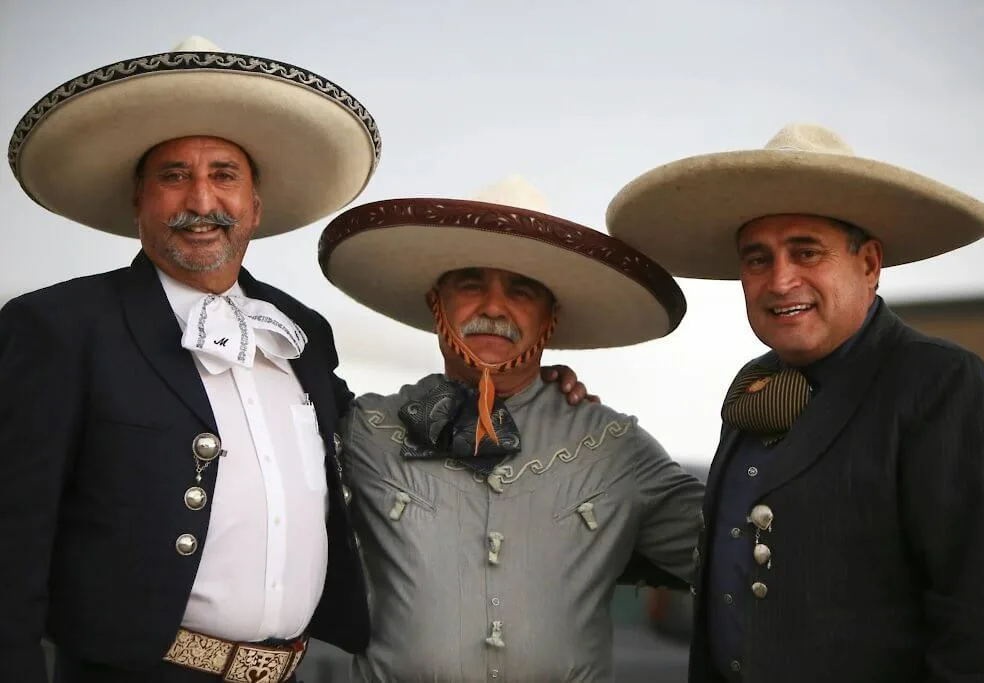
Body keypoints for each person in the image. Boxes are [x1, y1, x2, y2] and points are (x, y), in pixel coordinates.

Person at [2, 38, 587, 683]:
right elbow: (10, 536)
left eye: (224, 175)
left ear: (255, 206)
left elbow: (379, 433)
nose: (201, 201)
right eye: (174, 176)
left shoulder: (297, 328)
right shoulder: (60, 326)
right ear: (138, 201)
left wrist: (518, 389)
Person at [605, 122, 984, 682]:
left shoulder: (939, 382)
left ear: (869, 265)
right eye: (758, 259)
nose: (781, 280)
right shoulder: (755, 386)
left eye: (806, 252)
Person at [317, 176, 707, 682]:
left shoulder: (614, 446)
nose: (494, 307)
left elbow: (742, 554)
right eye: (471, 284)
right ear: (437, 302)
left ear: (550, 318)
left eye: (521, 290)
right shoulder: (367, 430)